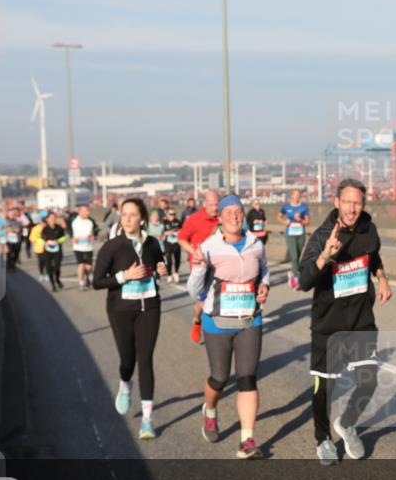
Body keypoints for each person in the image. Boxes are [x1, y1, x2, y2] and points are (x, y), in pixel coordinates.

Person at [298, 179, 392, 465]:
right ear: (336, 202)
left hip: (361, 320)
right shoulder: (322, 235)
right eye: (347, 202)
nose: (352, 209)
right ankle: (323, 438)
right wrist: (325, 256)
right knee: (325, 389)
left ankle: (347, 423)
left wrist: (382, 278)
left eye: (357, 203)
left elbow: (373, 256)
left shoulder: (368, 228)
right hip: (329, 324)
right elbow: (304, 280)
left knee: (368, 382)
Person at [187, 194, 270, 459]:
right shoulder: (209, 247)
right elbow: (194, 291)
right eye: (228, 212)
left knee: (247, 377)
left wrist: (264, 286)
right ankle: (210, 410)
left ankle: (247, 440)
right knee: (220, 378)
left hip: (249, 320)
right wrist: (199, 269)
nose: (234, 215)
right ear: (220, 218)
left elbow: (264, 271)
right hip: (217, 322)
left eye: (238, 211)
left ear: (243, 215)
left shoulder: (256, 243)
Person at [93, 198, 167, 440]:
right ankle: (125, 384)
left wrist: (161, 269)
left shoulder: (152, 243)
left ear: (142, 218)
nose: (126, 219)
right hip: (120, 309)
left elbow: (159, 263)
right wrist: (124, 276)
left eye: (132, 214)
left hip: (150, 307)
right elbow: (97, 281)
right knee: (128, 359)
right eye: (124, 214)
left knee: (145, 360)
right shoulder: (112, 246)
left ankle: (147, 420)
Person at [177, 190, 221, 343]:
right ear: (204, 204)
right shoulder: (194, 219)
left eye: (217, 204)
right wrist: (194, 252)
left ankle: (217, 332)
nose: (215, 208)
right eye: (212, 205)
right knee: (202, 302)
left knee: (218, 298)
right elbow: (181, 239)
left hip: (219, 265)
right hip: (199, 267)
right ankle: (197, 321)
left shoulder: (223, 217)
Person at [278, 189, 311, 290]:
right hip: (290, 234)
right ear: (292, 195)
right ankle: (296, 278)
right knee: (294, 256)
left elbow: (308, 221)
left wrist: (300, 219)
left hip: (300, 233)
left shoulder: (304, 207)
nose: (297, 196)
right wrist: (285, 222)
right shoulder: (286, 206)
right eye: (295, 194)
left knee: (298, 256)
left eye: (298, 194)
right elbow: (279, 217)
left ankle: (292, 273)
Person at [71, 204, 100, 290]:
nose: (88, 212)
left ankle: (87, 276)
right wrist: (74, 238)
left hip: (88, 247)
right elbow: (73, 234)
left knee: (89, 267)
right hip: (78, 247)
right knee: (81, 265)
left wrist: (92, 237)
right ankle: (81, 282)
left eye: (88, 210)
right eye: (86, 211)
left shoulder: (90, 222)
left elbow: (92, 233)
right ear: (80, 212)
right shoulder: (75, 222)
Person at [39, 211, 68, 292]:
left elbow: (65, 237)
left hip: (57, 250)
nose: (52, 219)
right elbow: (40, 239)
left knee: (57, 268)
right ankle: (53, 285)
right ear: (47, 219)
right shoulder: (44, 229)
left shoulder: (59, 228)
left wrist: (58, 241)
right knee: (49, 268)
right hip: (47, 251)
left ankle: (57, 279)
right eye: (50, 218)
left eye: (54, 218)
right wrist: (44, 242)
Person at [161, 207, 182, 283]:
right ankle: (169, 274)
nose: (172, 215)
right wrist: (169, 232)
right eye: (170, 214)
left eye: (174, 214)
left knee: (177, 259)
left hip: (176, 243)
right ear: (167, 215)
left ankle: (176, 272)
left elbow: (183, 230)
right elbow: (161, 232)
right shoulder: (164, 222)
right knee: (169, 261)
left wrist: (178, 232)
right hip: (167, 244)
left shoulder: (178, 222)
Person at [29, 210, 48, 282]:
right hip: (39, 249)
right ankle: (41, 274)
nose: (44, 223)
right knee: (41, 262)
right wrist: (40, 241)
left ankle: (47, 274)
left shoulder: (48, 227)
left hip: (48, 248)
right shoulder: (35, 228)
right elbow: (31, 238)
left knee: (47, 262)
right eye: (43, 221)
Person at [4, 207, 25, 271]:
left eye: (13, 214)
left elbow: (21, 229)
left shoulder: (18, 221)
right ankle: (9, 266)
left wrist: (20, 231)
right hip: (9, 241)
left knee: (16, 253)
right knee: (9, 254)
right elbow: (6, 231)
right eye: (11, 214)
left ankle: (13, 265)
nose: (12, 215)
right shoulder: (5, 222)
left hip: (17, 240)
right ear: (8, 214)